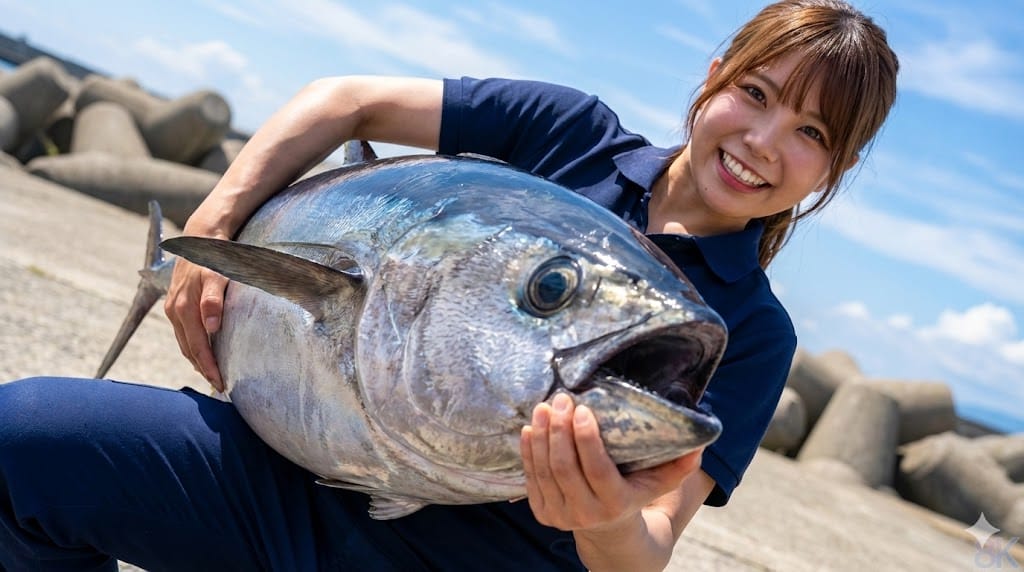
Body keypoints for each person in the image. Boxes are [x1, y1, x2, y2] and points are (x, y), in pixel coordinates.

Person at [0, 1, 898, 570]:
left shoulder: (751, 334)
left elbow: (649, 549)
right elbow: (341, 100)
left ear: (834, 170)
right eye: (758, 93)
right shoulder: (569, 133)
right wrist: (213, 231)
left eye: (813, 133)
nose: (764, 141)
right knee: (22, 439)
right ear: (713, 83)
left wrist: (606, 519)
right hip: (278, 475)